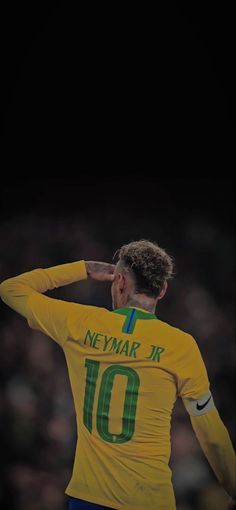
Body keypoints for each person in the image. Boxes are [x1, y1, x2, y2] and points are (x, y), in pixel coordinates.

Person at [0, 240, 235, 510]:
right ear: (163, 290)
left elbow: (10, 289)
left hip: (89, 498)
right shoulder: (181, 346)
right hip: (150, 501)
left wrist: (83, 269)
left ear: (120, 282)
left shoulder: (79, 323)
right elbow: (212, 435)